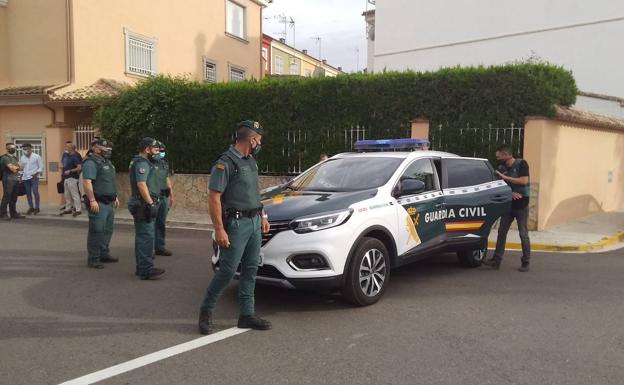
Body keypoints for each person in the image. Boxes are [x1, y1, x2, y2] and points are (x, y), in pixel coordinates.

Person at [198, 120, 271, 335]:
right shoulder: (225, 163)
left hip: (254, 221)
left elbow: (254, 193)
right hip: (236, 224)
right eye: (259, 140)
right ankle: (205, 312)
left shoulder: (251, 161)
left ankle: (246, 315)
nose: (260, 144)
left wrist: (263, 214)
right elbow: (214, 197)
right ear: (252, 139)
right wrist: (219, 229)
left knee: (251, 269)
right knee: (228, 271)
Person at [483, 145, 531, 272]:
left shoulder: (522, 164)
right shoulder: (501, 168)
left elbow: (524, 181)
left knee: (523, 234)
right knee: (501, 232)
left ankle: (525, 261)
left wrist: (506, 178)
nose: (498, 159)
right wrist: (510, 192)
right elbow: (499, 185)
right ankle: (496, 260)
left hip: (521, 205)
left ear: (506, 155)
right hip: (508, 204)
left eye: (499, 156)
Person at [128, 137, 166, 280]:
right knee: (146, 237)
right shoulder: (141, 163)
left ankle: (142, 267)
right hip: (142, 203)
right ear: (147, 149)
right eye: (155, 149)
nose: (157, 152)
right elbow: (141, 184)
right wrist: (150, 203)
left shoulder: (144, 162)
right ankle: (146, 270)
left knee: (143, 236)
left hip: (142, 202)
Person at [82, 138, 120, 269]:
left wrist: (115, 197)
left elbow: (109, 181)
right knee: (96, 231)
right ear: (97, 149)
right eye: (107, 150)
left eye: (110, 150)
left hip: (109, 202)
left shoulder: (107, 162)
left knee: (107, 230)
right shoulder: (91, 163)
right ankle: (93, 258)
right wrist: (92, 200)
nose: (109, 152)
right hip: (98, 202)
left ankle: (104, 253)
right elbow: (87, 182)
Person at [152, 141, 174, 256]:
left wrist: (171, 194)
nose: (161, 153)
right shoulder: (148, 163)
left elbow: (167, 178)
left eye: (163, 151)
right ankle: (149, 249)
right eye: (159, 151)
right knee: (151, 223)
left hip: (164, 196)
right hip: (154, 197)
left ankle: (160, 247)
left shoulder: (164, 163)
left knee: (161, 223)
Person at [0, 143, 25, 220]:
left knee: (14, 197)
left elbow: (21, 168)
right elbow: (12, 168)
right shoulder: (5, 158)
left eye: (14, 148)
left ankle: (13, 213)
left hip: (15, 179)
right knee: (7, 197)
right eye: (11, 148)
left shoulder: (15, 158)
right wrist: (18, 167)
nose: (13, 149)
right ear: (7, 148)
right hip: (8, 180)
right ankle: (3, 214)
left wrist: (17, 168)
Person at [60, 142, 83, 217]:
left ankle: (78, 209)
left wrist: (70, 171)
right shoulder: (67, 155)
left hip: (72, 178)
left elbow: (79, 167)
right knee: (67, 195)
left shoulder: (75, 156)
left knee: (74, 194)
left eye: (67, 147)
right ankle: (68, 209)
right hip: (66, 178)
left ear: (71, 148)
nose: (65, 148)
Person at [19, 143, 43, 215]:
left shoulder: (36, 156)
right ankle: (31, 207)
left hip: (34, 177)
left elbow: (41, 167)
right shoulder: (22, 157)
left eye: (26, 149)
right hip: (25, 178)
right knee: (28, 193)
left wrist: (36, 173)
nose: (25, 150)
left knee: (35, 192)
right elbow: (22, 168)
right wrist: (20, 177)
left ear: (30, 148)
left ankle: (37, 207)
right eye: (24, 149)